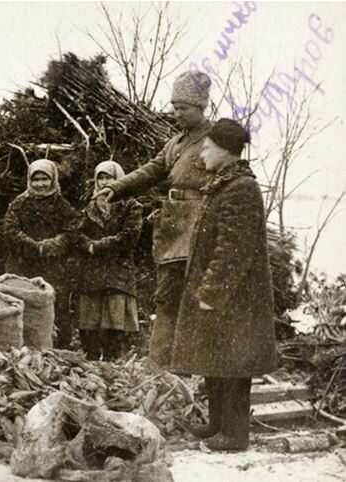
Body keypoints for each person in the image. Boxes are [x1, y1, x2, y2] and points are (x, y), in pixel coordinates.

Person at [96, 70, 215, 368]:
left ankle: (194, 366)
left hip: (200, 229)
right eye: (174, 107)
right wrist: (116, 187)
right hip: (173, 230)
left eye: (183, 108)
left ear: (201, 107)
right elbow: (150, 171)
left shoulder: (215, 141)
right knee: (166, 298)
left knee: (196, 301)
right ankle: (159, 365)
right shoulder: (174, 144)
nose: (176, 114)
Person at [172, 119, 277, 451]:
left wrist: (212, 292)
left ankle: (234, 435)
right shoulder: (224, 184)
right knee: (215, 358)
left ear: (225, 151)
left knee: (234, 364)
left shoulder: (241, 188)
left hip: (236, 299)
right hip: (224, 296)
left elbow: (233, 249)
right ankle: (217, 424)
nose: (202, 152)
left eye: (206, 147)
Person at [3, 159, 79, 349]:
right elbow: (10, 230)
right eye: (35, 180)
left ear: (53, 179)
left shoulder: (62, 205)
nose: (40, 184)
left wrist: (50, 245)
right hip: (23, 263)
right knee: (23, 302)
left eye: (44, 179)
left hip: (52, 264)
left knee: (54, 303)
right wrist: (32, 245)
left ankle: (59, 347)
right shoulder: (19, 203)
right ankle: (24, 346)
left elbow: (72, 231)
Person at [75, 161, 143, 360]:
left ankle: (113, 366)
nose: (105, 182)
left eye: (109, 177)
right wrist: (87, 244)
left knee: (115, 323)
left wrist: (98, 246)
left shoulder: (131, 205)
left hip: (118, 271)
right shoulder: (90, 207)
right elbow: (77, 234)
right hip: (93, 271)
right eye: (101, 177)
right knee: (90, 325)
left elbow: (130, 236)